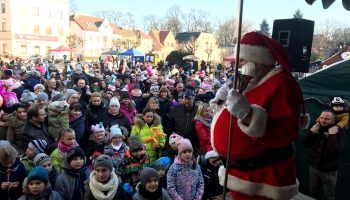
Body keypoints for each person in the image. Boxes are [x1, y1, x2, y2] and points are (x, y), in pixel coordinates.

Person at [210, 32, 310, 199]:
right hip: (240, 173)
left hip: (262, 178)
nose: (237, 65)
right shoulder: (249, 80)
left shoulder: (282, 84)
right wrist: (220, 103)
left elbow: (286, 132)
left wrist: (248, 114)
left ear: (258, 60)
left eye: (242, 60)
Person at [302, 109, 346, 200]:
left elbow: (336, 151)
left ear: (333, 120)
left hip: (328, 171)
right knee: (312, 191)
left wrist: (332, 135)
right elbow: (305, 143)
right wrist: (311, 131)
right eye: (321, 118)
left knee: (329, 195)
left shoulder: (340, 132)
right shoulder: (317, 128)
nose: (323, 120)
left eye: (326, 119)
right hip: (313, 168)